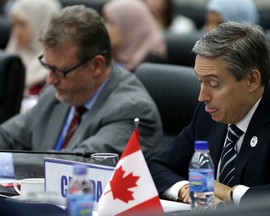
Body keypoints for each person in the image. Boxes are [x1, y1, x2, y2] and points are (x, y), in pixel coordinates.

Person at [0, 5, 163, 178]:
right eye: (47, 66)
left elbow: (74, 166)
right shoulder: (56, 93)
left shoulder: (132, 110)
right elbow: (8, 135)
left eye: (60, 71)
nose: (50, 80)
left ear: (96, 66)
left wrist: (6, 163)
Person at [148, 22, 270, 206]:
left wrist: (228, 193)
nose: (202, 96)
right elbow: (156, 166)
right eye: (200, 82)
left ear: (252, 80)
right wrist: (187, 189)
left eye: (214, 84)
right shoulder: (208, 114)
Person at [5, 0, 62, 96]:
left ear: (42, 23)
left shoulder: (56, 73)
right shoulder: (13, 54)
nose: (16, 32)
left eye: (22, 24)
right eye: (14, 24)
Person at [102, 0, 166, 71]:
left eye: (110, 22)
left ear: (128, 25)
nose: (105, 28)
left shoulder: (151, 64)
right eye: (105, 21)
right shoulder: (113, 54)